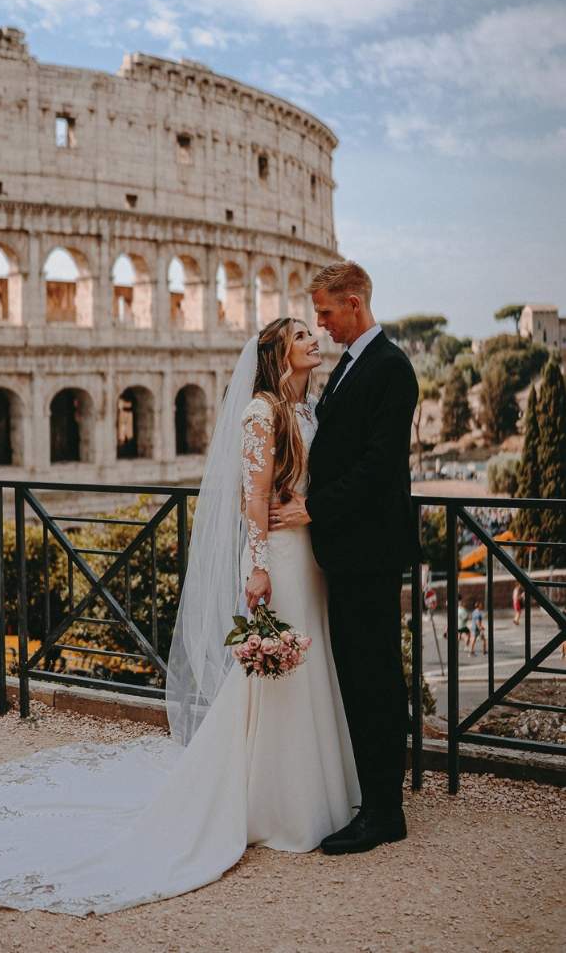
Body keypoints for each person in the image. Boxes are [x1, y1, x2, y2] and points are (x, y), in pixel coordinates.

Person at [0, 317, 359, 916]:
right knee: (271, 677)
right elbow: (251, 495)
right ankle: (269, 801)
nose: (316, 342)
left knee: (304, 667)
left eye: (316, 334)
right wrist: (256, 565)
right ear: (281, 352)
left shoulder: (304, 407)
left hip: (304, 552)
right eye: (304, 337)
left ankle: (306, 794)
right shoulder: (261, 410)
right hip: (278, 557)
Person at [269, 260, 419, 854]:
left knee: (374, 675)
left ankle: (385, 811)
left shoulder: (391, 366)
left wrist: (315, 508)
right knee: (357, 673)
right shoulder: (353, 364)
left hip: (368, 550)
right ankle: (374, 793)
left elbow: (380, 465)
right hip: (348, 548)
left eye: (327, 312)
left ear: (354, 303)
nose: (322, 324)